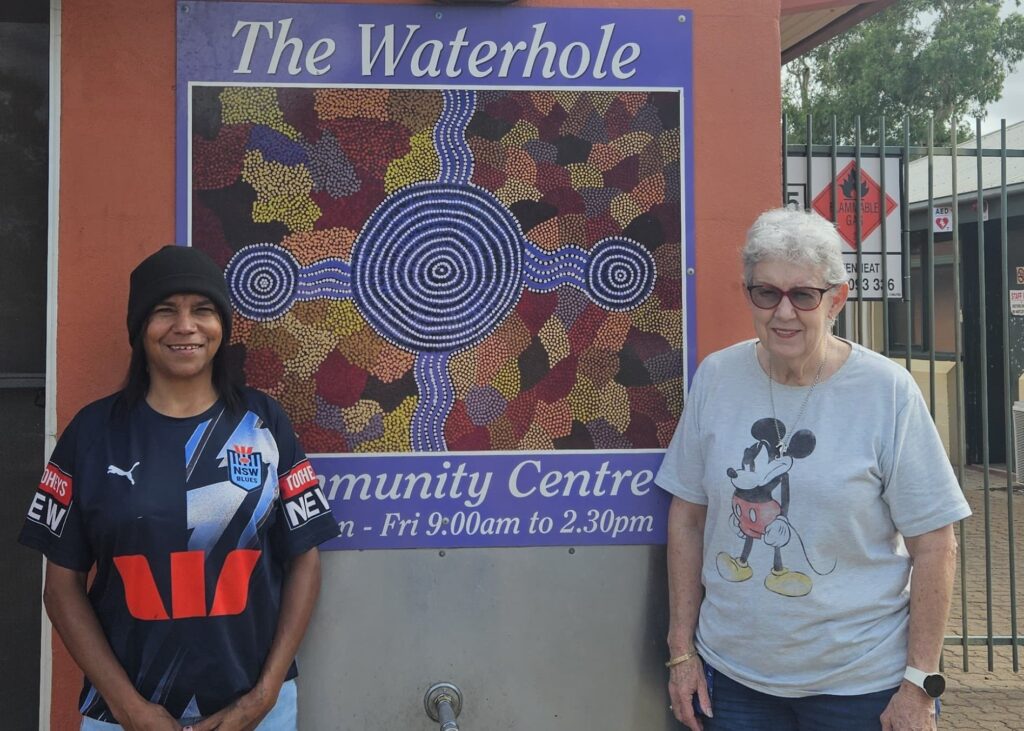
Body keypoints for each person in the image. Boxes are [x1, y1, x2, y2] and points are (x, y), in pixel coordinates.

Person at [656, 208, 970, 731]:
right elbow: (688, 517)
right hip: (733, 682)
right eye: (767, 293)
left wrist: (920, 682)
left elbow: (936, 542)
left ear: (836, 300)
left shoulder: (886, 393)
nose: (784, 312)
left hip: (860, 685)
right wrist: (680, 651)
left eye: (803, 295)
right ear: (748, 294)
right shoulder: (716, 379)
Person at [19, 246, 340, 730]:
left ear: (222, 327)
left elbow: (305, 559)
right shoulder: (91, 433)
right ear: (138, 328)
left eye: (202, 310)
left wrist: (265, 694)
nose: (185, 325)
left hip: (256, 712)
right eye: (165, 310)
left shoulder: (264, 423)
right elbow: (61, 587)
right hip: (123, 717)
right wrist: (128, 708)